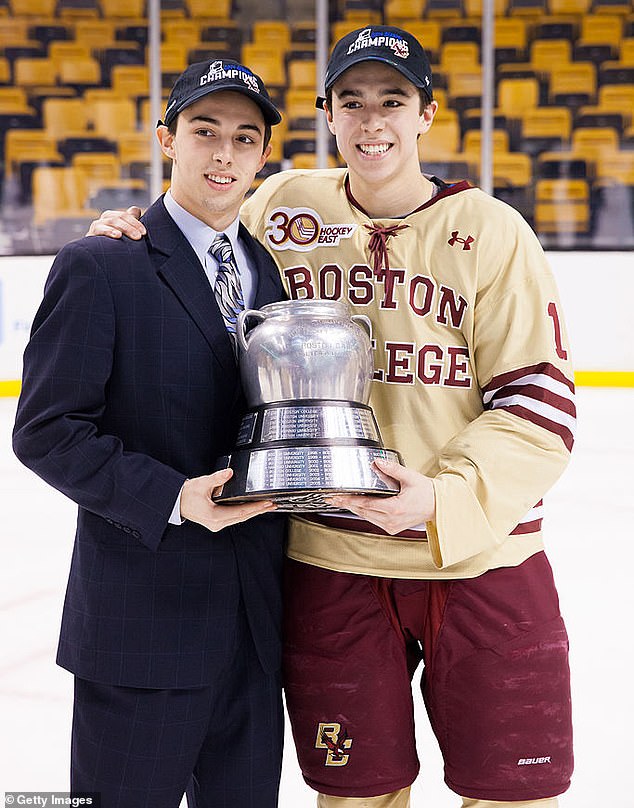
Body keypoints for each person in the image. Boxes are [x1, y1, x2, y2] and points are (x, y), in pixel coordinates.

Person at [88, 26, 575, 808]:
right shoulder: (284, 207)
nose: (372, 120)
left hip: (482, 558)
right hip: (330, 559)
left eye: (393, 101)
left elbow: (539, 397)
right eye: (352, 102)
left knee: (512, 796)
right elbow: (193, 235)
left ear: (427, 114)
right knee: (354, 796)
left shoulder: (492, 231)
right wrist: (128, 230)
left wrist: (442, 499)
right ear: (327, 115)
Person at [13, 58, 288, 808]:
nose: (223, 154)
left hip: (256, 635)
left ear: (264, 156)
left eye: (244, 137)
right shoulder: (101, 264)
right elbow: (45, 431)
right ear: (167, 139)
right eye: (205, 132)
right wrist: (174, 498)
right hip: (141, 636)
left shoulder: (271, 272)